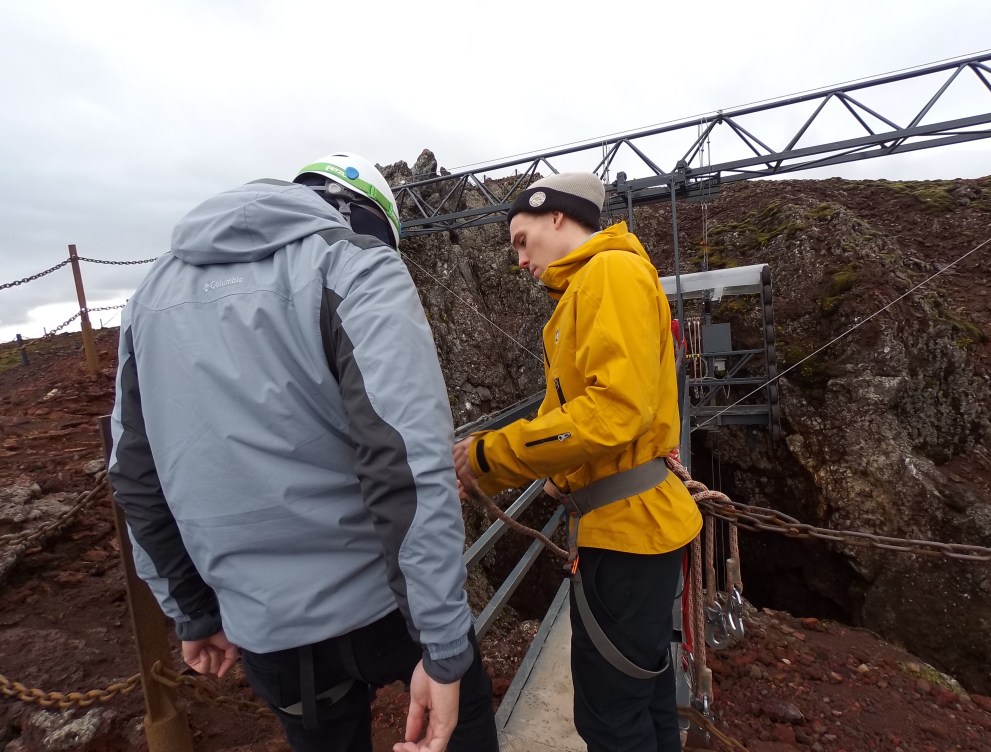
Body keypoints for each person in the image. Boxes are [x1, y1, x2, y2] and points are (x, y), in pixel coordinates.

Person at [109, 152, 498, 752]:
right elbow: (405, 465)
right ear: (367, 217)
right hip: (384, 611)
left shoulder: (147, 300)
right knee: (461, 724)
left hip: (268, 630)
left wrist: (194, 610)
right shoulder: (355, 266)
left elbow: (135, 475)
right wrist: (444, 646)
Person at [453, 173, 703, 752]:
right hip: (627, 524)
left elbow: (614, 411)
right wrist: (548, 473)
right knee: (644, 694)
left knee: (610, 717)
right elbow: (569, 410)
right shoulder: (588, 289)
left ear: (558, 217)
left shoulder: (609, 275)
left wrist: (489, 455)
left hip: (626, 533)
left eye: (521, 239)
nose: (519, 259)